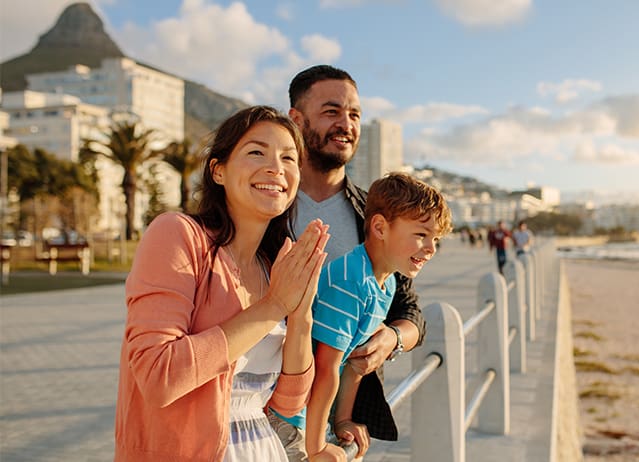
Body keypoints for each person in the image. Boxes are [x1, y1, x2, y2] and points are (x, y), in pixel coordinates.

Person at [114, 106, 330, 462]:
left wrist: (301, 312)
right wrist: (274, 306)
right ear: (218, 170)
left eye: (289, 158)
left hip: (260, 450)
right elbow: (159, 376)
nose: (276, 167)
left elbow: (287, 402)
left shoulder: (273, 264)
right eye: (257, 152)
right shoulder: (177, 235)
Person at [267, 64, 427, 461]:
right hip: (260, 407)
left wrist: (390, 341)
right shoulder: (267, 203)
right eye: (332, 111)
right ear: (297, 120)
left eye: (355, 114)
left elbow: (409, 310)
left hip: (338, 424)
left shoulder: (371, 212)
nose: (346, 124)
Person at [306, 172, 452, 461]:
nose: (431, 249)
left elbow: (355, 362)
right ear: (380, 228)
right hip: (295, 413)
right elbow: (326, 367)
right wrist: (316, 446)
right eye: (421, 235)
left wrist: (342, 421)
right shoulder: (351, 281)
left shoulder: (386, 283)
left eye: (435, 238)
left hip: (319, 415)